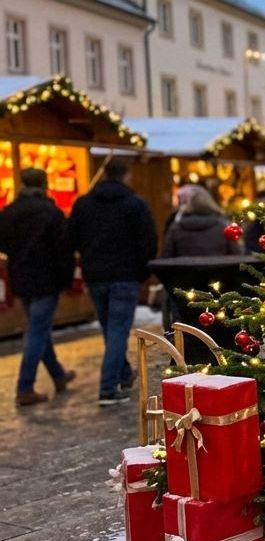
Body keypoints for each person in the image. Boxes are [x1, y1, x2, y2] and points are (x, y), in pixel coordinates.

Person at [68, 159, 157, 405]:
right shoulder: (135, 204)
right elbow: (148, 241)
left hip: (95, 275)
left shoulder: (83, 204)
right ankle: (108, 388)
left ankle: (124, 373)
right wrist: (142, 272)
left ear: (104, 175)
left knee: (110, 329)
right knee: (117, 330)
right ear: (126, 175)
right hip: (125, 275)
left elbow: (70, 239)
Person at [0, 169, 77, 406]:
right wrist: (66, 278)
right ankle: (25, 386)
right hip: (46, 279)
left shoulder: (10, 211)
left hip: (21, 278)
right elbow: (63, 248)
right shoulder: (50, 212)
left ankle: (58, 375)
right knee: (37, 330)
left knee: (38, 327)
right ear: (44, 184)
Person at [161, 185, 242, 258]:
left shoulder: (176, 228)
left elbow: (166, 259)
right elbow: (237, 256)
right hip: (219, 273)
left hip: (185, 274)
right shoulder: (224, 227)